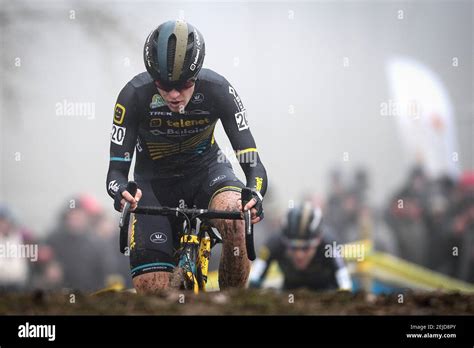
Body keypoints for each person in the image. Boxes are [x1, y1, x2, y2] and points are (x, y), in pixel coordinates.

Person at [106, 19, 267, 293]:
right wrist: (121, 190)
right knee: (153, 290)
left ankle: (232, 304)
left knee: (236, 219)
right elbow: (116, 173)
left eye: (184, 84)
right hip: (153, 186)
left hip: (208, 175)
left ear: (197, 73)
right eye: (163, 84)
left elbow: (251, 160)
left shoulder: (219, 90)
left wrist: (255, 192)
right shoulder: (133, 95)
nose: (174, 94)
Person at [249, 202, 352, 291]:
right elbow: (253, 282)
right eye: (293, 247)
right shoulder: (274, 243)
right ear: (284, 241)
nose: (299, 255)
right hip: (290, 295)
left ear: (319, 240)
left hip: (327, 294)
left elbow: (345, 286)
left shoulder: (329, 244)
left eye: (305, 248)